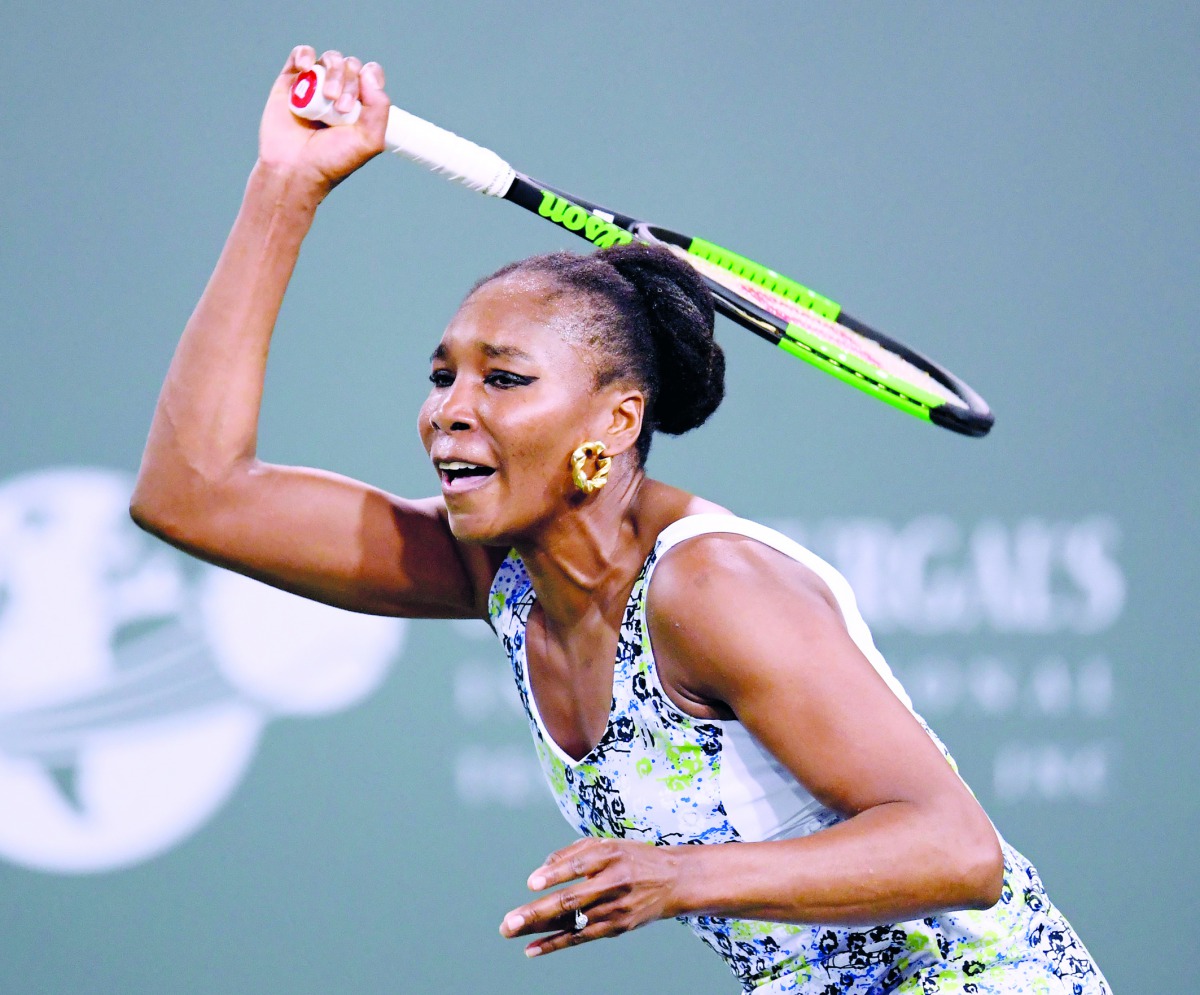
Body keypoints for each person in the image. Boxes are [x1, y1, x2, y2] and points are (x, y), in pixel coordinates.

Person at [131, 47, 1110, 994]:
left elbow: (956, 849)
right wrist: (286, 184)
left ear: (617, 419)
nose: (449, 410)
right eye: (442, 375)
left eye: (504, 379)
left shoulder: (714, 587)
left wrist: (679, 875)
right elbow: (192, 494)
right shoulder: (502, 573)